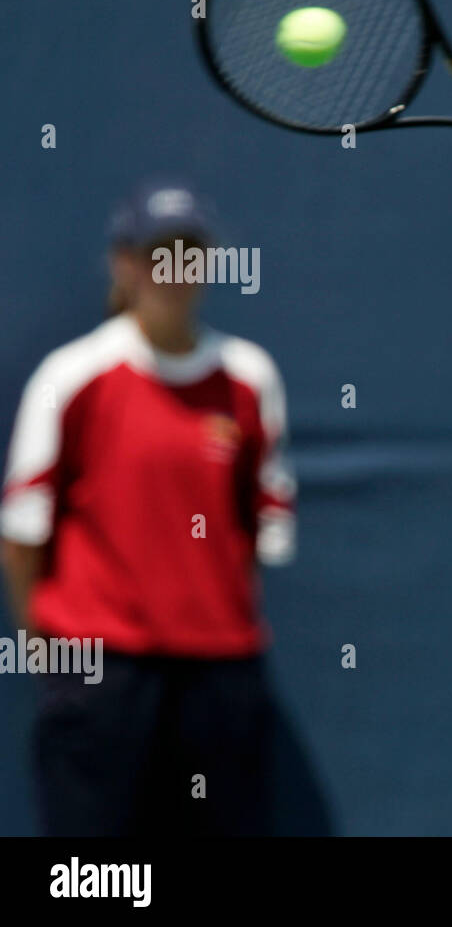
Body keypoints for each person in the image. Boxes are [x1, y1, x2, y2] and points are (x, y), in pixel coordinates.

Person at [0, 178, 297, 835]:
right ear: (124, 264)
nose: (176, 271)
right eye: (159, 253)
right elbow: (21, 536)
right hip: (100, 672)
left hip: (220, 675)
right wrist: (49, 652)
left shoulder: (250, 378)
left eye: (191, 253)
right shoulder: (71, 377)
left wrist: (211, 620)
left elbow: (259, 532)